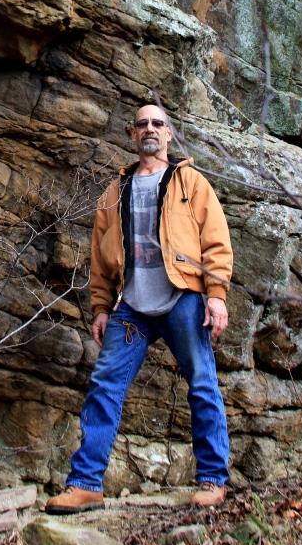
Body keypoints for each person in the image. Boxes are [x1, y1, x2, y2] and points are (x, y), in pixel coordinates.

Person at [46, 103, 232, 513]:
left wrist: (216, 296)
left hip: (182, 298)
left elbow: (216, 241)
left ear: (169, 134)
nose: (150, 129)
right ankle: (85, 484)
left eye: (158, 123)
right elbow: (100, 256)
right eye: (142, 123)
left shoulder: (191, 182)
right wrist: (100, 307)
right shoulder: (115, 192)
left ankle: (214, 478)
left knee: (202, 383)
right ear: (132, 134)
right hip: (130, 306)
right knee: (104, 387)